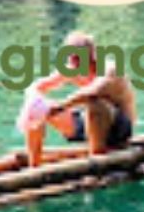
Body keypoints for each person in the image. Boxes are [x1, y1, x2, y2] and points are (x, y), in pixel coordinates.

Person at [18, 32, 98, 166]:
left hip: (104, 124)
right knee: (37, 109)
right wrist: (33, 100)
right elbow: (37, 86)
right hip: (82, 122)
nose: (74, 61)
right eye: (72, 57)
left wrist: (63, 105)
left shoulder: (104, 70)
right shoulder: (71, 69)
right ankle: (34, 165)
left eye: (78, 57)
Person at [48, 57, 138, 157]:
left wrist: (61, 105)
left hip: (117, 129)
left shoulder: (110, 69)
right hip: (89, 125)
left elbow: (92, 91)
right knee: (44, 107)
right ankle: (36, 156)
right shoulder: (72, 68)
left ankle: (96, 154)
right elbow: (42, 85)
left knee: (95, 104)